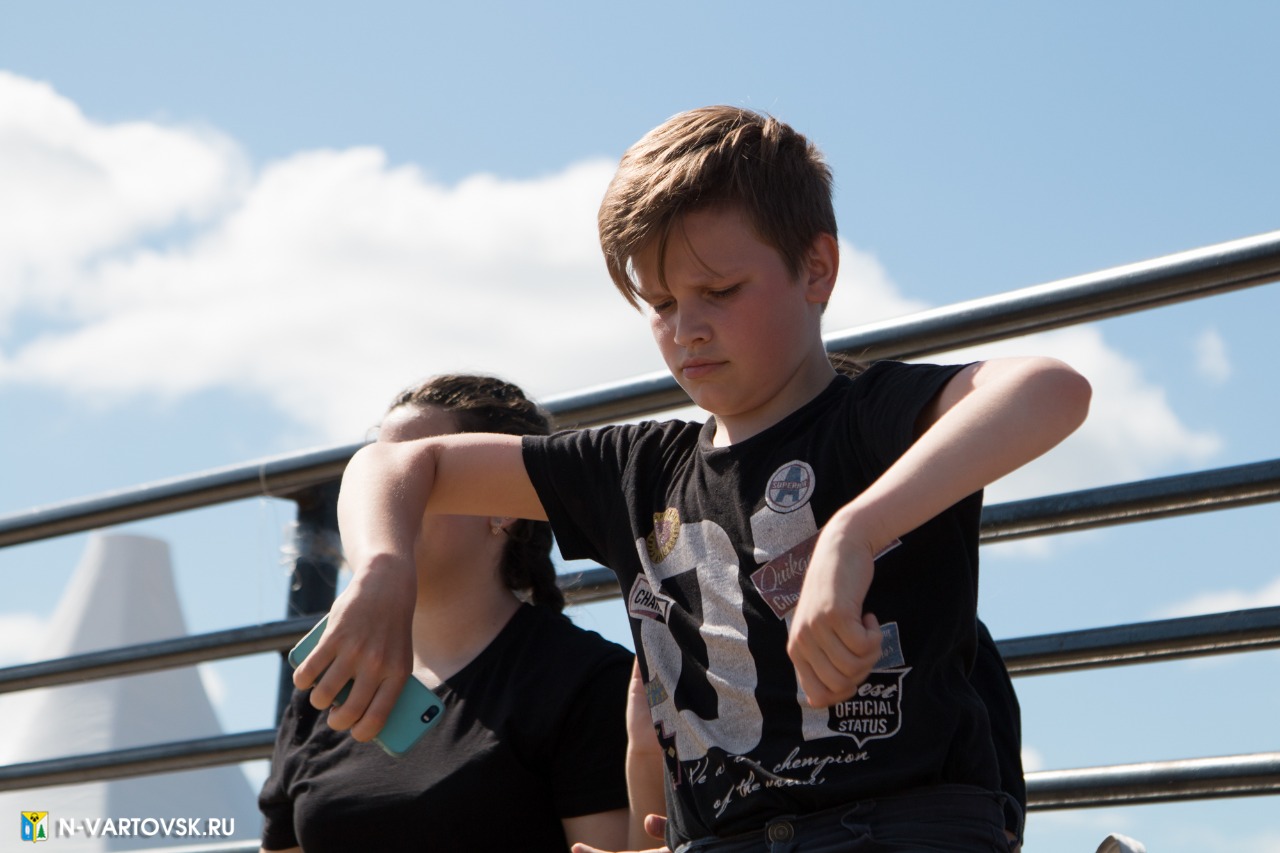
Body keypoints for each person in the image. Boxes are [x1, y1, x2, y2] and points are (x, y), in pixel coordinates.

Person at [297, 106, 1091, 851]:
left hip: (901, 827)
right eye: (661, 302)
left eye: (719, 291)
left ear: (817, 268)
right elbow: (393, 463)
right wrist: (382, 570)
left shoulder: (871, 417)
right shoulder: (634, 470)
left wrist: (854, 531)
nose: (687, 329)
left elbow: (1052, 387)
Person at [259, 374, 634, 852]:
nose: (389, 497)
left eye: (420, 473)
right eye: (379, 475)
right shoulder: (328, 681)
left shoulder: (588, 683)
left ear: (504, 504)